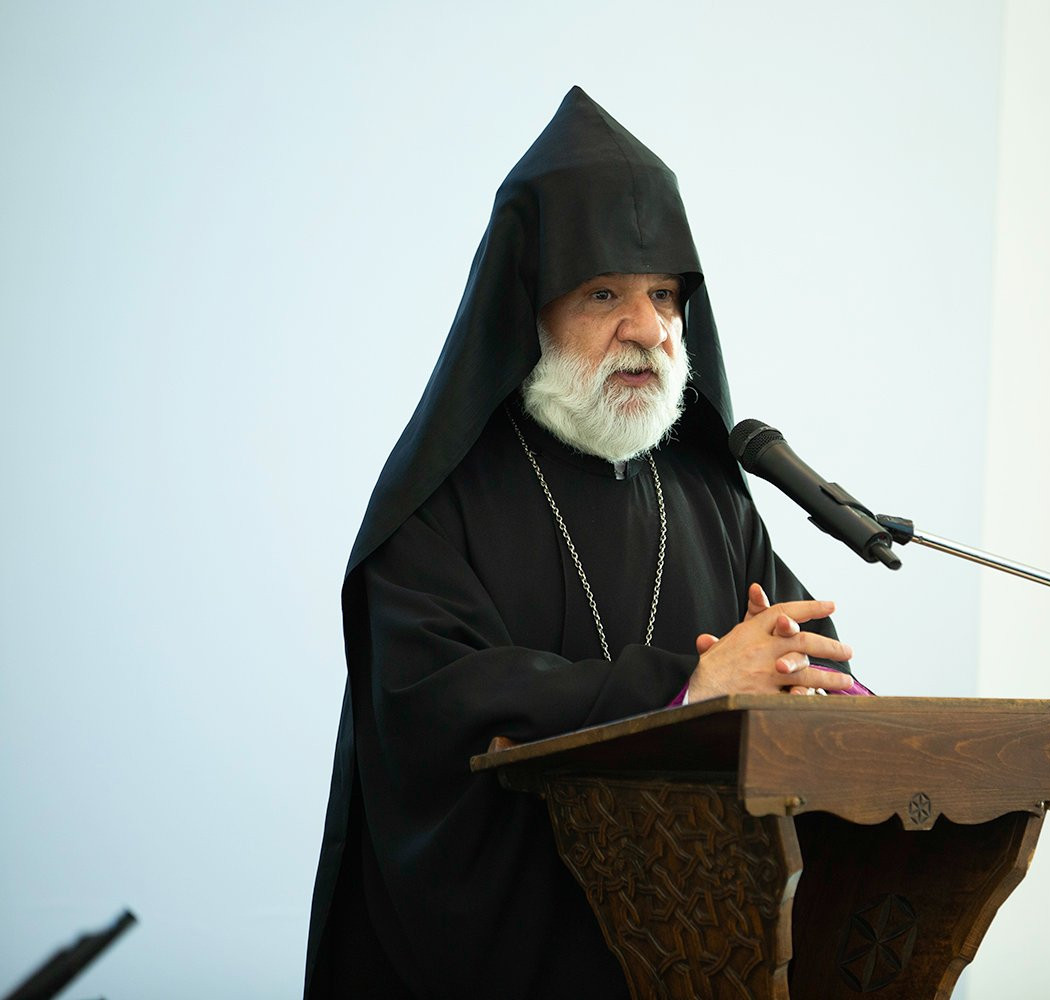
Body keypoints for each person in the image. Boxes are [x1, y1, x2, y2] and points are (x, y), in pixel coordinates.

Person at [304, 87, 867, 998]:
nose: (648, 329)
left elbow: (804, 655)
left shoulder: (707, 493)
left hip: (700, 957)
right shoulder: (440, 500)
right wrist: (687, 687)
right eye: (605, 293)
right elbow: (439, 710)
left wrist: (811, 683)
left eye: (664, 295)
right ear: (528, 307)